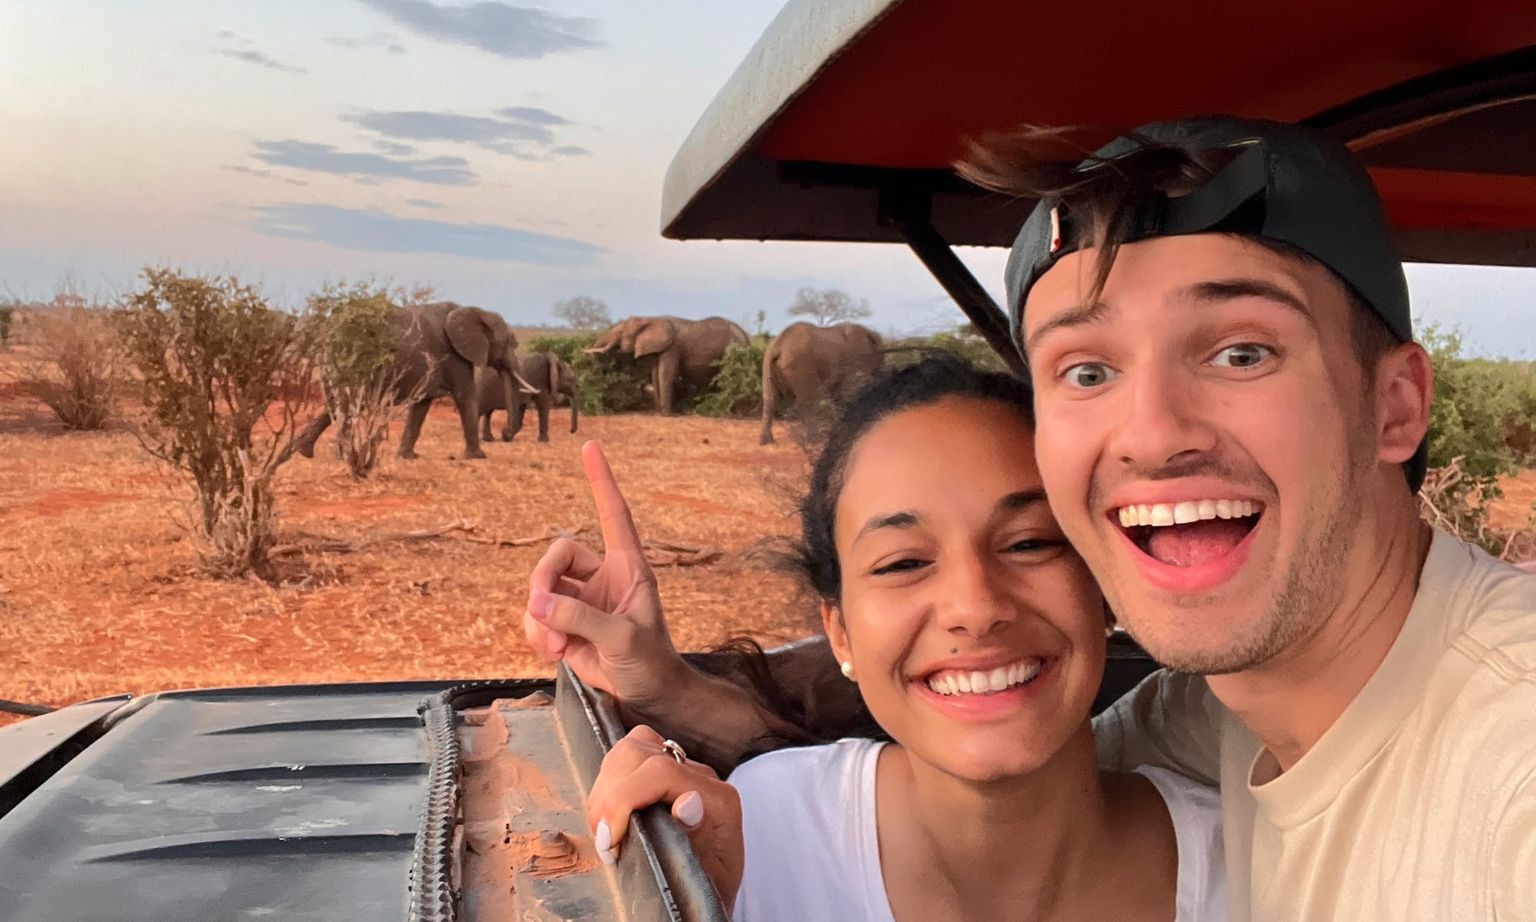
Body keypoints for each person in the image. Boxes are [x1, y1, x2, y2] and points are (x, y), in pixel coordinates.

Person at [526, 116, 1536, 920]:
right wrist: (673, 700)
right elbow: (984, 773)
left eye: (1241, 352)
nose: (1153, 433)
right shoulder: (1213, 714)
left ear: (1396, 403)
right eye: (1088, 370)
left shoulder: (1510, 776)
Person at [545, 356, 1225, 920]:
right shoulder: (759, 834)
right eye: (904, 563)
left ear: (1105, 585)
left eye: (1029, 543)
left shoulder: (1246, 872)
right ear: (839, 633)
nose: (976, 607)